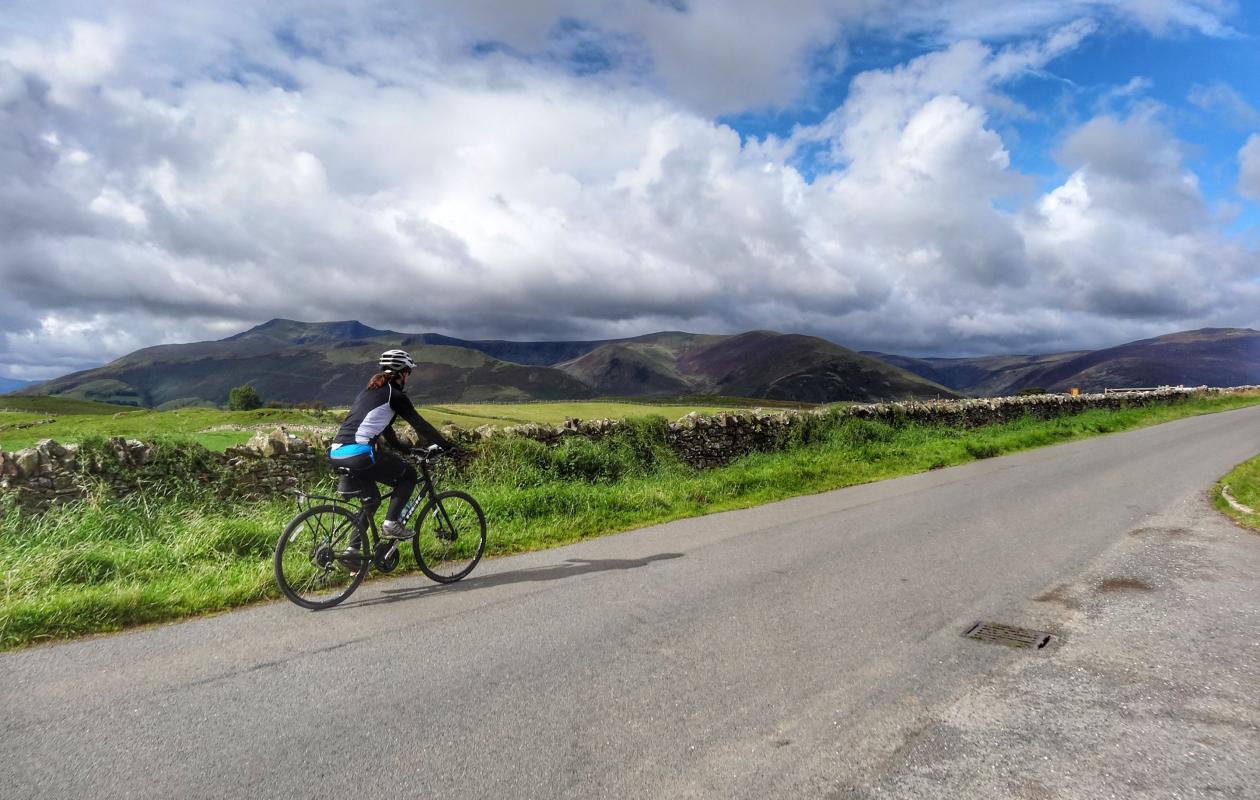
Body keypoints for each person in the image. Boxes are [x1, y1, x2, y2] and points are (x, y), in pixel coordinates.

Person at [329, 349, 453, 539]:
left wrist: (409, 450)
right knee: (409, 475)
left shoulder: (369, 391)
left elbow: (390, 437)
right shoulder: (394, 395)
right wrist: (446, 446)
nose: (408, 378)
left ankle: (352, 553)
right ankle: (391, 525)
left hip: (337, 452)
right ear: (402, 373)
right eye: (408, 373)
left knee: (371, 502)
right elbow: (420, 424)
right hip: (359, 453)